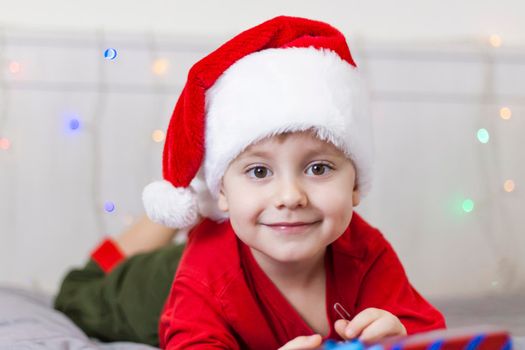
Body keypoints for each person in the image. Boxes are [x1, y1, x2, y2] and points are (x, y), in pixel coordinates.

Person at [56, 15, 446, 350]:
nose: (291, 196)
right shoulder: (203, 278)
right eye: (260, 171)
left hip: (238, 231)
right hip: (164, 280)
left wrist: (402, 337)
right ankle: (186, 204)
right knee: (78, 291)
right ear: (223, 192)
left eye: (318, 168)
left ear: (356, 184)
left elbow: (430, 332)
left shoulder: (366, 252)